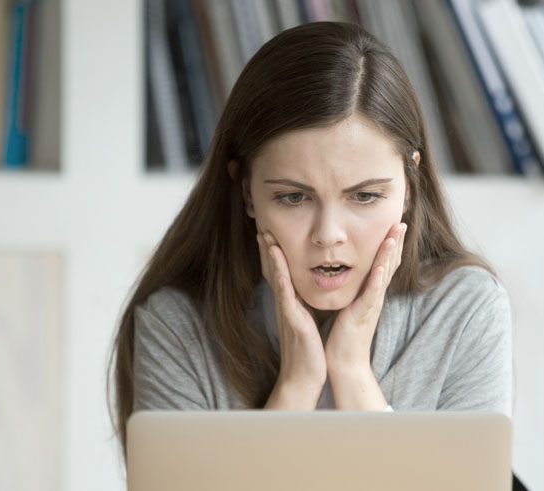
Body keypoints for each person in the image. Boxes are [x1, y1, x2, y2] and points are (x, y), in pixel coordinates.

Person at [108, 21, 513, 456]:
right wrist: (297, 385)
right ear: (247, 192)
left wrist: (352, 371)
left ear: (408, 188)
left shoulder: (466, 310)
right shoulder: (177, 325)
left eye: (365, 196)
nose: (328, 236)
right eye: (294, 197)